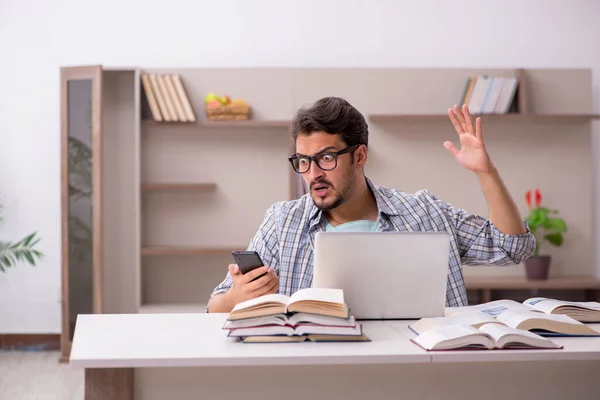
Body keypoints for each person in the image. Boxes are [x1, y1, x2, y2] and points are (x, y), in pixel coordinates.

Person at [206, 97, 536, 313]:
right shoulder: (282, 221)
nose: (314, 174)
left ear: (360, 156)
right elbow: (215, 306)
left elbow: (512, 248)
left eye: (326, 158)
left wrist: (485, 172)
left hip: (421, 371)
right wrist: (237, 298)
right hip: (317, 372)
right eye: (304, 161)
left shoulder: (425, 212)